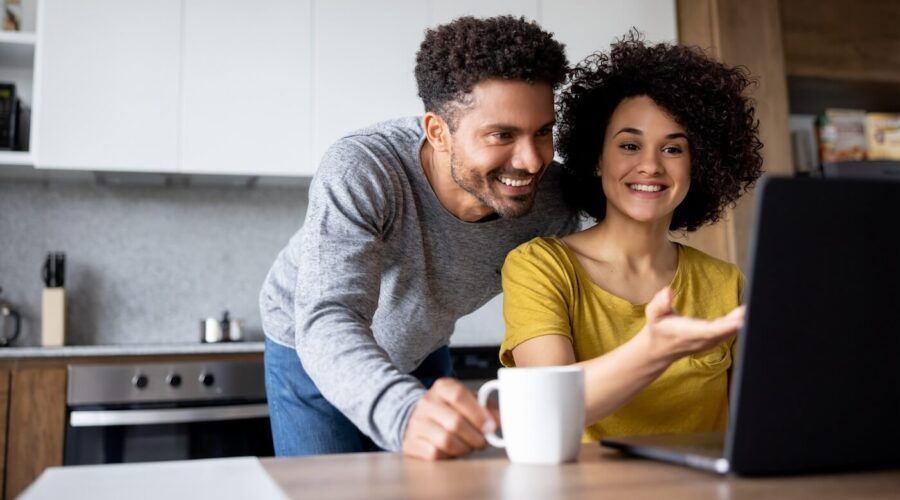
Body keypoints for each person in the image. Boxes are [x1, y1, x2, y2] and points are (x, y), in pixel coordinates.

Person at [260, 16, 577, 460]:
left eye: (543, 131)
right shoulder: (365, 169)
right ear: (437, 132)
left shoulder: (554, 199)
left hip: (422, 344)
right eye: (502, 135)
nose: (530, 161)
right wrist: (403, 413)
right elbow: (329, 314)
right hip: (312, 348)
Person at [499, 33, 764, 442]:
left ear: (701, 165)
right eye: (629, 145)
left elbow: (746, 428)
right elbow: (548, 408)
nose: (650, 166)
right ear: (597, 159)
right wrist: (655, 348)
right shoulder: (539, 267)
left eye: (673, 150)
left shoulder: (724, 283)